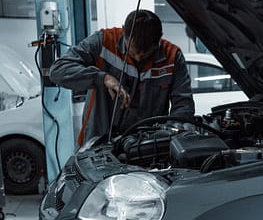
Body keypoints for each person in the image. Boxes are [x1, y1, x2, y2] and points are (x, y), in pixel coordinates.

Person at [49, 9, 195, 146]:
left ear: (159, 39)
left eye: (145, 54)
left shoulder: (172, 57)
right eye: (133, 51)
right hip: (97, 146)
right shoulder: (104, 42)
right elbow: (58, 70)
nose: (138, 58)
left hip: (148, 147)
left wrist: (170, 133)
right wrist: (102, 78)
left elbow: (183, 105)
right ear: (124, 32)